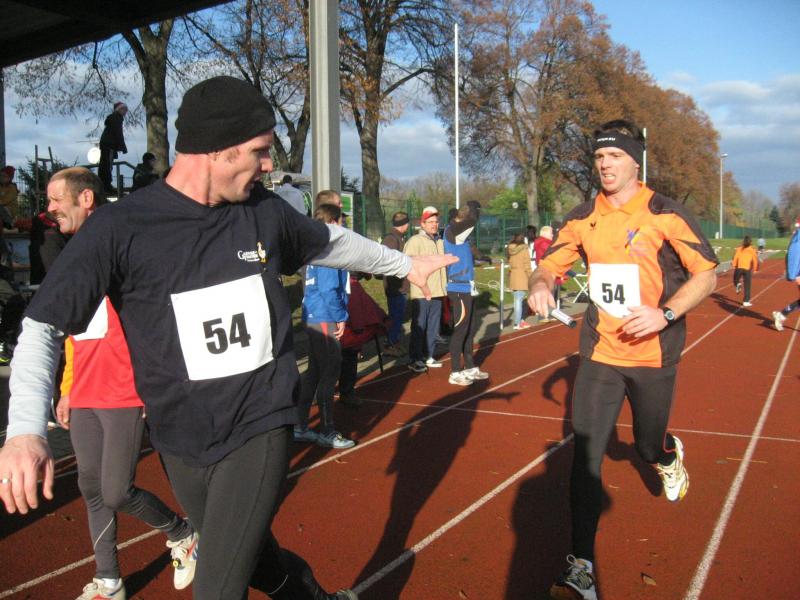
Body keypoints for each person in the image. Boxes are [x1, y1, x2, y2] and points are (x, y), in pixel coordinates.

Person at [0, 75, 453, 600]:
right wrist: (24, 429)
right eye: (260, 151)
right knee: (258, 563)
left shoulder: (263, 211)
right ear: (216, 149)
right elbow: (43, 324)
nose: (268, 164)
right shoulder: (121, 227)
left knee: (216, 586)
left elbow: (328, 241)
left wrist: (404, 264)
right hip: (179, 437)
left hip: (259, 422)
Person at [528, 119, 717, 600]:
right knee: (586, 456)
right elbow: (548, 265)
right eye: (599, 157)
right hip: (600, 352)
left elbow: (706, 275)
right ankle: (582, 567)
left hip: (653, 352)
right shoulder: (581, 217)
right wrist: (541, 285)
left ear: (635, 161)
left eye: (614, 156)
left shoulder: (664, 213)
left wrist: (665, 313)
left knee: (645, 446)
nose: (605, 165)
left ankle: (666, 456)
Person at [44, 167, 198, 600]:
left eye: (56, 199)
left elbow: (158, 321)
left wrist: (157, 382)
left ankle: (181, 532)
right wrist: (67, 387)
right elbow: (73, 333)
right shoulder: (73, 259)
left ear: (86, 199)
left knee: (116, 490)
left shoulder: (129, 248)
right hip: (85, 393)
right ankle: (109, 579)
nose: (50, 208)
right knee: (91, 488)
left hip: (124, 392)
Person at [295, 203, 355, 449]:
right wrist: (340, 316)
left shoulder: (315, 249)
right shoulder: (329, 251)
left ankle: (300, 425)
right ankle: (327, 430)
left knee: (315, 372)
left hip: (314, 314)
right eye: (341, 220)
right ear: (332, 222)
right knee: (329, 372)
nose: (344, 225)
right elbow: (329, 289)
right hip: (323, 316)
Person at [443, 201, 489, 386]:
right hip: (458, 288)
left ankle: (469, 367)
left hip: (468, 288)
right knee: (460, 330)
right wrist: (473, 210)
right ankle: (455, 372)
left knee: (470, 329)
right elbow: (471, 222)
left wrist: (481, 258)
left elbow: (469, 253)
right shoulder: (452, 231)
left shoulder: (462, 236)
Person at [404, 206, 447, 373]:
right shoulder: (415, 241)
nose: (434, 224)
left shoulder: (440, 242)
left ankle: (429, 355)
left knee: (434, 327)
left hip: (438, 291)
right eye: (430, 222)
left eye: (436, 221)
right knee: (419, 326)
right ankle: (415, 358)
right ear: (422, 224)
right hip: (421, 292)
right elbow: (407, 263)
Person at [381, 211, 410, 356]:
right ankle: (390, 344)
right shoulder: (391, 239)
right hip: (395, 287)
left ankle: (394, 341)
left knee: (398, 316)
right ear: (404, 224)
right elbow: (386, 263)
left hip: (399, 285)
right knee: (395, 317)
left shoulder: (398, 238)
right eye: (407, 223)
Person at [772, 220, 800, 331]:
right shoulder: (798, 239)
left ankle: (782, 314)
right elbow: (793, 255)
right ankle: (782, 314)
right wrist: (793, 274)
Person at [98, 102, 128, 194]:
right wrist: (123, 147)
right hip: (109, 144)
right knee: (107, 165)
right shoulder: (116, 118)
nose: (125, 112)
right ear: (119, 109)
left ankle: (104, 184)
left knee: (105, 164)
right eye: (124, 110)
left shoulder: (114, 118)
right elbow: (118, 132)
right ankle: (106, 186)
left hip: (107, 143)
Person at [507, 231, 532, 330]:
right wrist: (530, 276)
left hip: (513, 275)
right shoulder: (524, 249)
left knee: (517, 299)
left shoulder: (510, 248)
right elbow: (527, 264)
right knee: (519, 301)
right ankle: (517, 323)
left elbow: (510, 263)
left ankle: (520, 320)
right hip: (522, 275)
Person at [731, 235, 758, 307]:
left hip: (739, 267)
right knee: (747, 285)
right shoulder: (752, 250)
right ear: (751, 242)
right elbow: (755, 260)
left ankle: (738, 284)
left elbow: (736, 257)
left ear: (743, 241)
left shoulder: (739, 249)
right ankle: (746, 301)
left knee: (735, 280)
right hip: (747, 269)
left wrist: (734, 265)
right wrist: (755, 269)